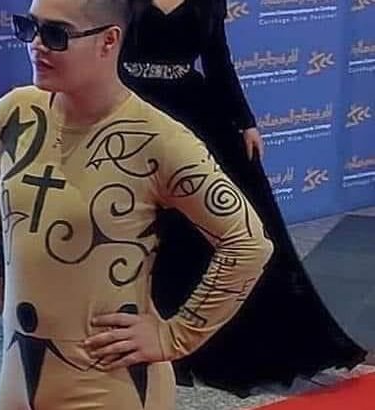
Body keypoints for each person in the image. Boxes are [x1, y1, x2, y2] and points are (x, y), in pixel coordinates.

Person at [0, 0, 274, 408]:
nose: (36, 45)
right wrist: (8, 309)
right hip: (18, 376)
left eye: (56, 34)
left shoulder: (158, 139)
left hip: (111, 384)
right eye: (29, 27)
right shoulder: (13, 114)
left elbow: (249, 243)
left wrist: (174, 336)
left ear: (109, 41)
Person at [119, 0, 367, 396]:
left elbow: (218, 59)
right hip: (131, 108)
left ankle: (215, 335)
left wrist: (245, 121)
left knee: (235, 218)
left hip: (194, 111)